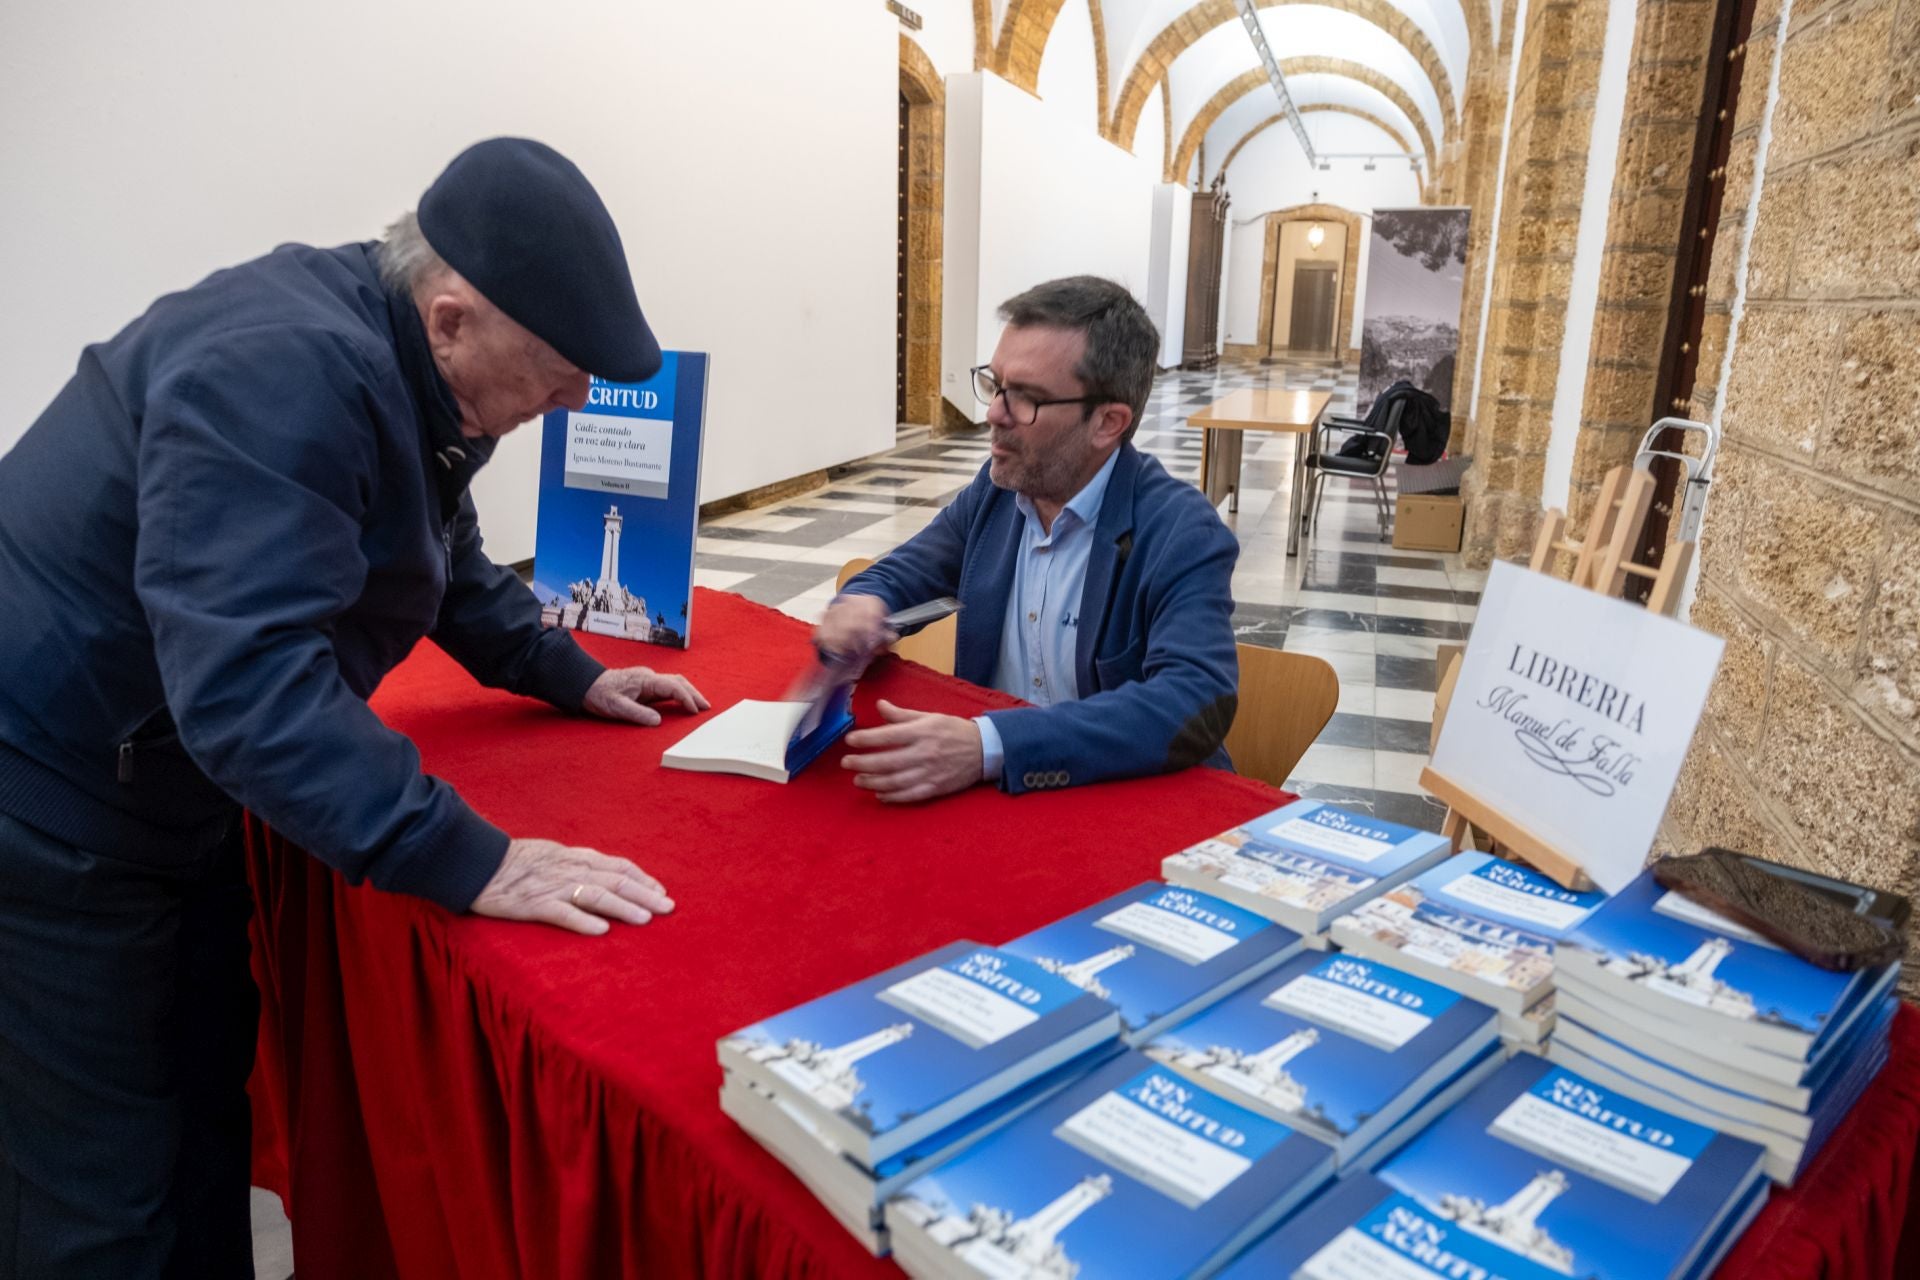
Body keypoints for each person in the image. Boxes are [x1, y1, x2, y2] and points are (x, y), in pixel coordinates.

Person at [0, 138, 709, 1278]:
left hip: (160, 783)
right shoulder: (279, 370)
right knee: (102, 1187)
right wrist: (466, 854)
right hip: (55, 802)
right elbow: (247, 683)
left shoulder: (402, 357)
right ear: (452, 318)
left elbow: (436, 548)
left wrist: (564, 669)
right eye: (562, 370)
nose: (580, 398)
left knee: (199, 1118)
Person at [817, 276, 1239, 804]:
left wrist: (988, 744)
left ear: (1108, 422)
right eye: (995, 386)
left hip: (1125, 801)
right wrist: (861, 603)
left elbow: (1193, 700)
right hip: (1000, 805)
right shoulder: (996, 495)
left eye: (1026, 399)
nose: (993, 413)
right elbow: (904, 573)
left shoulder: (1180, 529)